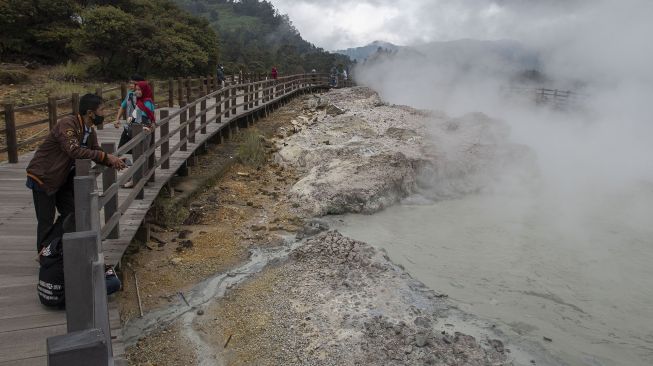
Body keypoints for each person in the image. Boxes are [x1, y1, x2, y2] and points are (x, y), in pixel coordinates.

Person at [26, 94, 127, 251]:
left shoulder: (89, 130)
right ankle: (44, 256)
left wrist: (112, 161)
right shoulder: (68, 124)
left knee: (72, 213)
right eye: (101, 110)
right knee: (45, 220)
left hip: (61, 178)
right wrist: (105, 156)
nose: (104, 113)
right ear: (90, 113)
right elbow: (74, 150)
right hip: (43, 176)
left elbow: (95, 150)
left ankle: (55, 247)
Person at [120, 80, 156, 188]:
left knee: (141, 155)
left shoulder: (147, 102)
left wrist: (147, 125)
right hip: (138, 129)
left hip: (144, 129)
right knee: (139, 154)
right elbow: (137, 115)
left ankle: (137, 179)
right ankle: (137, 178)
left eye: (139, 89)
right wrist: (131, 118)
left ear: (144, 90)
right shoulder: (140, 101)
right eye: (136, 90)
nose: (137, 92)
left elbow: (148, 116)